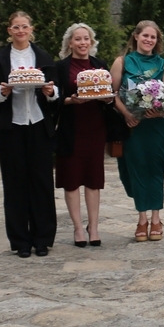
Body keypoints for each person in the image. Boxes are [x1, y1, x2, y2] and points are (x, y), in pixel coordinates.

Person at [0, 11, 59, 258]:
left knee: (42, 182)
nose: (20, 31)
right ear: (9, 30)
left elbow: (55, 91)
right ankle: (20, 241)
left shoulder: (43, 57)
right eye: (15, 27)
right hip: (12, 126)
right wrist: (2, 92)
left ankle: (42, 239)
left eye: (24, 26)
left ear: (31, 29)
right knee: (15, 184)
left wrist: (50, 91)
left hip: (38, 123)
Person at [112, 21, 164, 243]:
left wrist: (160, 111)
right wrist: (127, 115)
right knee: (136, 169)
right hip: (133, 126)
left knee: (156, 168)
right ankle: (141, 219)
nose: (149, 40)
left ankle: (156, 217)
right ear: (136, 36)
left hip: (157, 125)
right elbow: (113, 95)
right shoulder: (122, 62)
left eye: (153, 37)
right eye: (145, 36)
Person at [54, 23, 111, 248]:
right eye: (78, 39)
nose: (83, 43)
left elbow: (108, 95)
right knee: (71, 180)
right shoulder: (60, 67)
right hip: (71, 129)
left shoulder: (100, 65)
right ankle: (78, 228)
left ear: (92, 42)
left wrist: (107, 99)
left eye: (86, 38)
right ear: (70, 43)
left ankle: (93, 227)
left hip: (95, 128)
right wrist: (70, 100)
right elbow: (54, 99)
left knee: (93, 179)